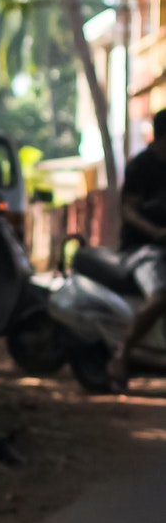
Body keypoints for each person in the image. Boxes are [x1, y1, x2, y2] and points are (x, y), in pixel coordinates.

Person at [109, 108, 166, 386]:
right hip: (142, 250)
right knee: (160, 297)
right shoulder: (141, 166)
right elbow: (128, 211)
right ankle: (123, 352)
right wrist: (155, 233)